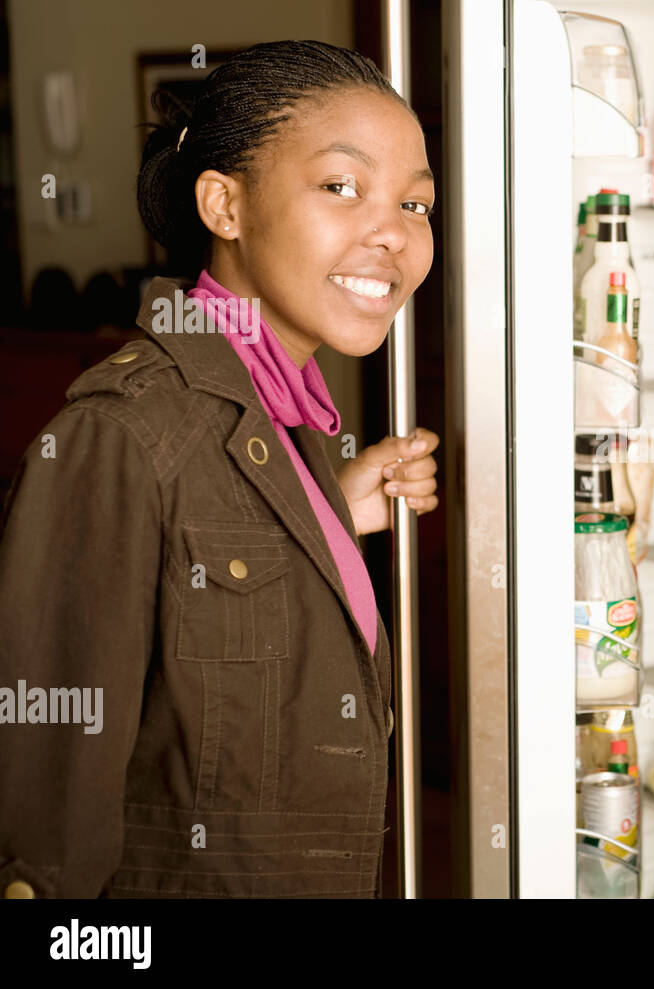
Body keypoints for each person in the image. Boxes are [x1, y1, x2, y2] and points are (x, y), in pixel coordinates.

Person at [0, 40, 438, 898]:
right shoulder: (117, 435)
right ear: (223, 204)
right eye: (341, 186)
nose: (392, 232)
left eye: (417, 203)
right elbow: (43, 840)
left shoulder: (284, 415)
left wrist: (332, 513)